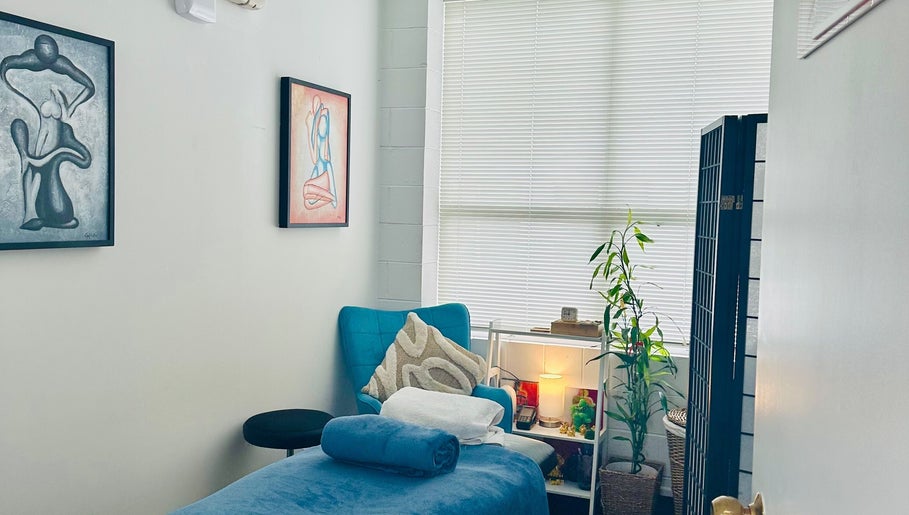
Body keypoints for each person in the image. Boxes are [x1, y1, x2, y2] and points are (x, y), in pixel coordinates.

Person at [1, 34, 95, 230]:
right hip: (41, 128)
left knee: (36, 167)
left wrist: (72, 104)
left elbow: (87, 88)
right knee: (33, 166)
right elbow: (8, 65)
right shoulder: (30, 61)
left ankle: (31, 213)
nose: (48, 59)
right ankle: (29, 213)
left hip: (50, 132)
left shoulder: (60, 75)